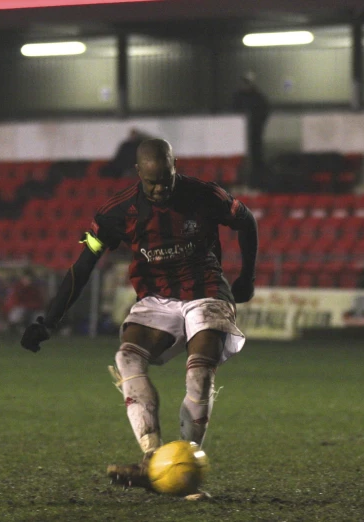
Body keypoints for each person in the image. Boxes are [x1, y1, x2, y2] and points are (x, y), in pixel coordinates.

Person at [20, 138, 258, 499]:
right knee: (126, 358)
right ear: (138, 175)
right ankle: (153, 460)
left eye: (167, 179)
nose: (161, 188)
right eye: (152, 183)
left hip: (206, 292)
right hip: (156, 300)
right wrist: (49, 320)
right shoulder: (115, 213)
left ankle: (184, 465)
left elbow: (247, 220)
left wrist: (246, 278)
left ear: (176, 166)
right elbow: (85, 263)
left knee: (199, 374)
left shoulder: (205, 195)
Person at [232, 71, 270, 187]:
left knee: (256, 157)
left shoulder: (258, 97)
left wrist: (256, 123)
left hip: (255, 134)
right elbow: (233, 112)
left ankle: (256, 183)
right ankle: (242, 182)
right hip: (239, 135)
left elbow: (264, 111)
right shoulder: (238, 98)